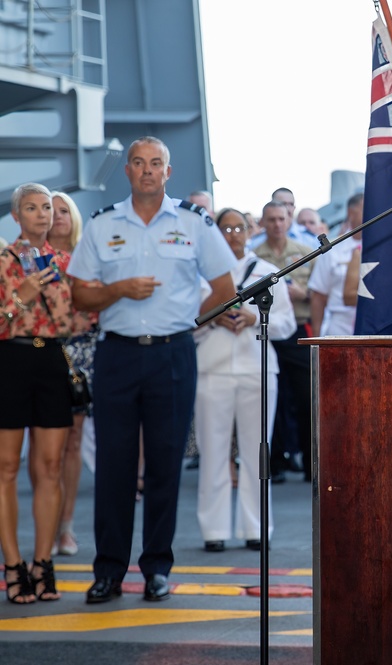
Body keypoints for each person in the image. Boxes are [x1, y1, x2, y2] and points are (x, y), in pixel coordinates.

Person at [68, 136, 236, 603]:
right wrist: (117, 289)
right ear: (127, 171)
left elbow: (224, 286)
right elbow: (80, 295)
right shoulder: (103, 225)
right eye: (138, 163)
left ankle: (157, 569)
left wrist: (188, 321)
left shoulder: (194, 222)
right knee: (114, 469)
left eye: (155, 163)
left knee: (165, 465)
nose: (147, 170)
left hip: (173, 354)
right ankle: (108, 572)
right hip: (117, 355)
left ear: (168, 171)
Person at [194, 209, 296, 551]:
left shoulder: (267, 273)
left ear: (249, 231)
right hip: (212, 370)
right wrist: (213, 319)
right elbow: (186, 326)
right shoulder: (201, 274)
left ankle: (257, 527)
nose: (233, 234)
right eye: (226, 228)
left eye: (239, 227)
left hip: (257, 370)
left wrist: (254, 317)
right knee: (213, 451)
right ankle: (214, 530)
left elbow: (287, 325)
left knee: (257, 452)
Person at [0, 183, 74, 603]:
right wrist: (20, 300)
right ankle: (12, 564)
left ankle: (42, 561)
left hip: (51, 363)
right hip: (8, 360)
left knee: (49, 467)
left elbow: (75, 321)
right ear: (17, 216)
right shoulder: (2, 261)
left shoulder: (67, 261)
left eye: (47, 207)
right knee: (7, 467)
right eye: (32, 207)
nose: (43, 214)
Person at [47, 191, 99, 557]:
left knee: (73, 442)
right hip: (42, 352)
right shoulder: (27, 259)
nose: (58, 216)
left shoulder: (90, 256)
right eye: (51, 210)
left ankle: (65, 526)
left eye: (65, 210)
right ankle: (44, 524)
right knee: (44, 446)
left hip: (84, 353)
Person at [254, 201, 314, 482]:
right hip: (266, 329)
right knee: (270, 399)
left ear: (289, 221)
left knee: (306, 397)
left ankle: (309, 461)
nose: (277, 224)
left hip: (299, 329)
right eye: (271, 219)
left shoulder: (305, 252)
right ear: (263, 222)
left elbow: (319, 293)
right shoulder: (254, 257)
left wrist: (302, 294)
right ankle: (274, 462)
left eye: (281, 219)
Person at [309, 193, 363, 336]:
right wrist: (316, 336)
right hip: (340, 325)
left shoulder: (383, 248)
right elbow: (318, 295)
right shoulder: (334, 248)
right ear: (351, 212)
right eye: (365, 209)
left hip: (375, 322)